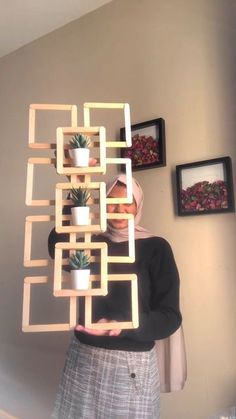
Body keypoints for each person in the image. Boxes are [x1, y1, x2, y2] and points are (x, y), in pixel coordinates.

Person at [48, 173, 183, 419]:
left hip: (130, 366)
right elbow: (57, 249)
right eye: (110, 202)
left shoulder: (156, 247)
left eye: (127, 202)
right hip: (83, 357)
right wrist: (76, 190)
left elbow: (170, 316)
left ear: (138, 205)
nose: (118, 209)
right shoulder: (91, 242)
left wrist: (121, 326)